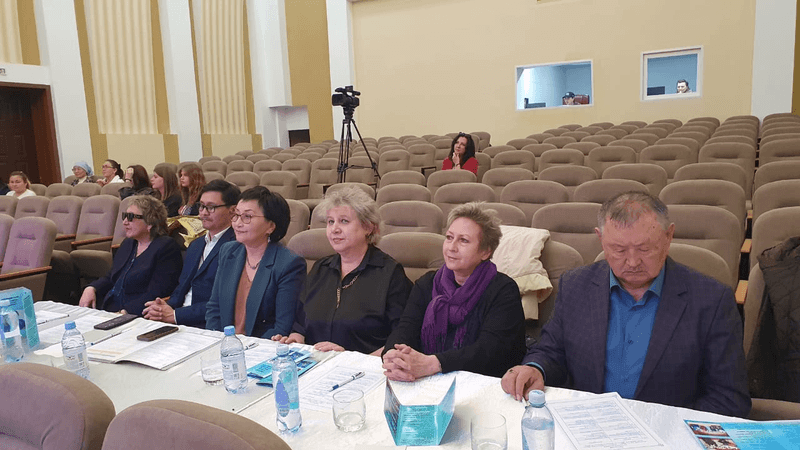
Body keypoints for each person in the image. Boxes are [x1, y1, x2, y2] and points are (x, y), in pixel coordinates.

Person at [501, 192, 751, 418]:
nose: (632, 262)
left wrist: (666, 429)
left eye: (645, 249)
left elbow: (729, 398)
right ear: (600, 239)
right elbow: (552, 350)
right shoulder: (576, 285)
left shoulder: (711, 300)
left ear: (668, 236)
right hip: (588, 425)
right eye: (618, 250)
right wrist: (535, 368)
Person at [381, 202, 525, 381]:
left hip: (481, 382)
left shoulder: (503, 290)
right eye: (449, 237)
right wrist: (394, 355)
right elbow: (405, 328)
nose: (451, 247)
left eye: (463, 240)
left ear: (485, 252)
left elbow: (490, 351)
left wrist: (434, 363)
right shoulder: (427, 283)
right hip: (427, 379)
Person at [272, 187, 412, 355]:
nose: (334, 229)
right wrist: (294, 341)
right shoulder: (320, 268)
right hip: (315, 363)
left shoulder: (390, 274)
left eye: (344, 221)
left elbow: (400, 340)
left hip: (364, 367)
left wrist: (348, 358)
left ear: (368, 227)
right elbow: (300, 325)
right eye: (330, 222)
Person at [205, 186, 306, 338]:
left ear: (271, 226)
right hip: (225, 343)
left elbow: (282, 326)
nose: (237, 223)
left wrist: (245, 347)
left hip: (261, 346)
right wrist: (217, 341)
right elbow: (214, 308)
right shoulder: (228, 251)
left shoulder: (289, 264)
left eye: (247, 217)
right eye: (236, 215)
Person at [144, 180, 240, 328]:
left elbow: (226, 302)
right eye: (201, 206)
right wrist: (163, 307)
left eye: (211, 207)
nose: (203, 212)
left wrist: (175, 315)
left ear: (232, 210)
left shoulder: (238, 247)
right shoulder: (196, 245)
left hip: (209, 325)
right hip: (177, 320)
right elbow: (182, 288)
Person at [78, 195, 183, 316]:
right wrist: (91, 288)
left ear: (150, 222)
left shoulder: (166, 247)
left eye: (131, 217)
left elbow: (157, 292)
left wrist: (126, 312)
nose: (125, 222)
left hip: (135, 314)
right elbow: (111, 277)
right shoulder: (128, 243)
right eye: (125, 216)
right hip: (107, 307)